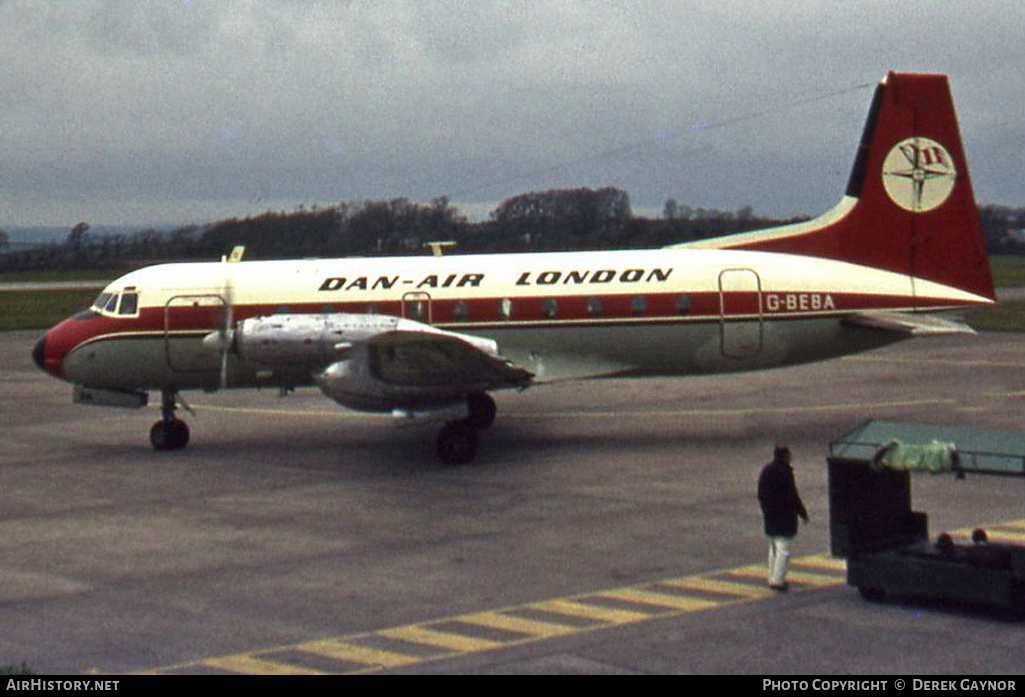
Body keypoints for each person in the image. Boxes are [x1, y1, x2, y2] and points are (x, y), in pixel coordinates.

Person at [757, 444, 809, 591]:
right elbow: (792, 496)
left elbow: (760, 493)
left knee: (773, 547)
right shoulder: (785, 472)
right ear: (785, 456)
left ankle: (772, 576)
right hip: (784, 516)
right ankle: (778, 580)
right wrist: (802, 512)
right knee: (783, 549)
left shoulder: (766, 470)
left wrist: (766, 509)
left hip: (770, 515)